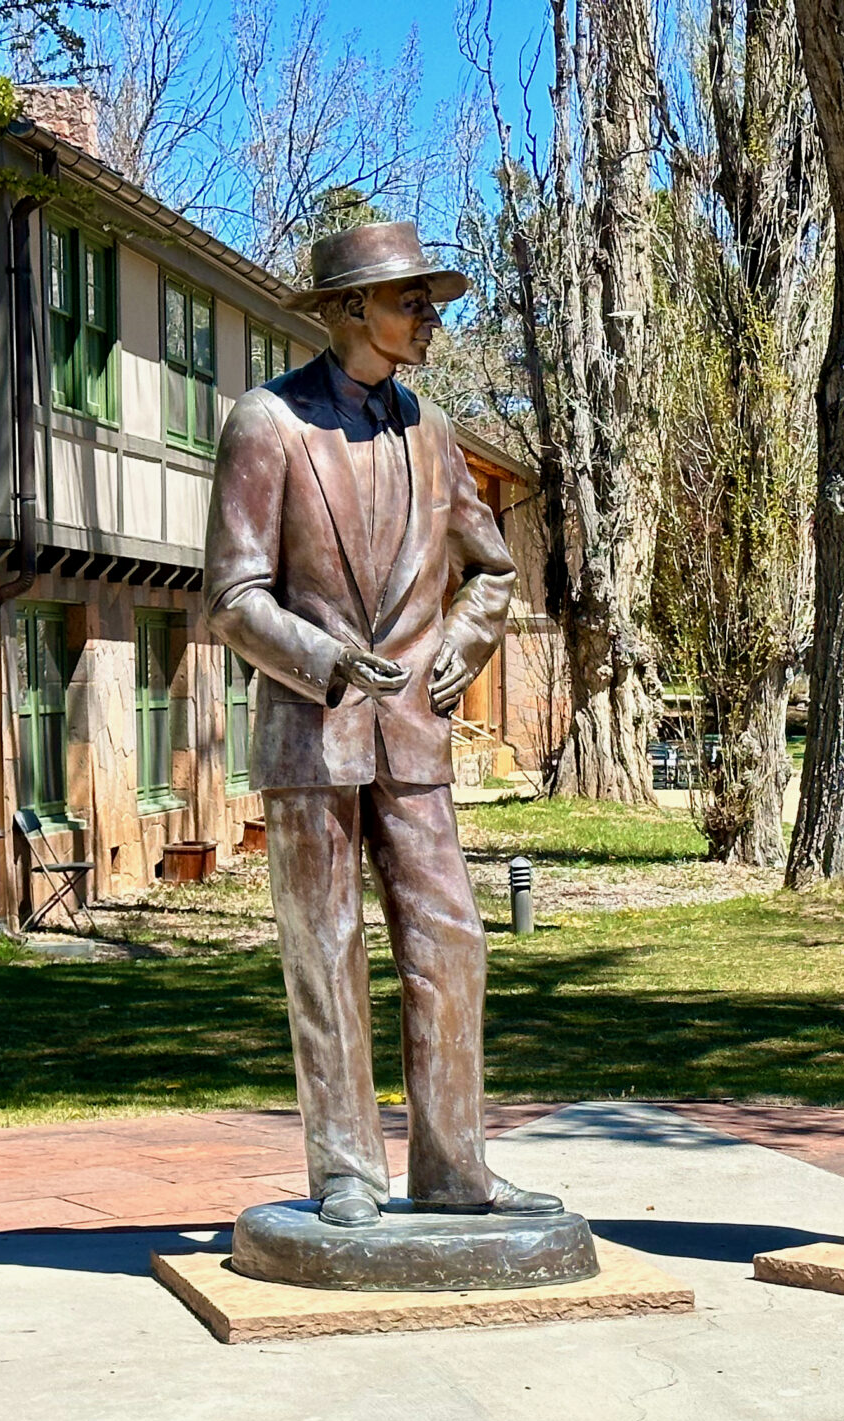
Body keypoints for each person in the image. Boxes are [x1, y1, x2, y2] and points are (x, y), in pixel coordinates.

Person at [204, 220, 561, 1229]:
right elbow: (232, 596)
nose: (431, 317)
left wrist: (466, 640)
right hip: (312, 736)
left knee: (450, 942)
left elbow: (490, 566)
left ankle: (456, 1171)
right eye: (412, 300)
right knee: (324, 949)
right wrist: (321, 658)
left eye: (431, 300)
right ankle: (348, 1172)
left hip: (413, 734)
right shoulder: (267, 424)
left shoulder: (431, 430)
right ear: (352, 308)